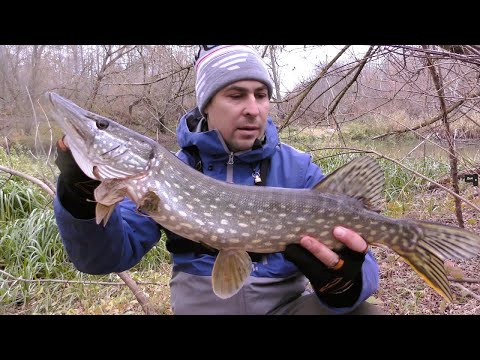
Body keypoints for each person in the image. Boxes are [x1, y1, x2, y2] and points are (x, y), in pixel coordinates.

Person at [53, 45, 384, 315]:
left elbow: (364, 267)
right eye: (236, 95)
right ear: (206, 105)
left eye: (261, 95)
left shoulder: (299, 170)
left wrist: (345, 283)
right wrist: (79, 196)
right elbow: (103, 259)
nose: (253, 109)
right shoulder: (167, 173)